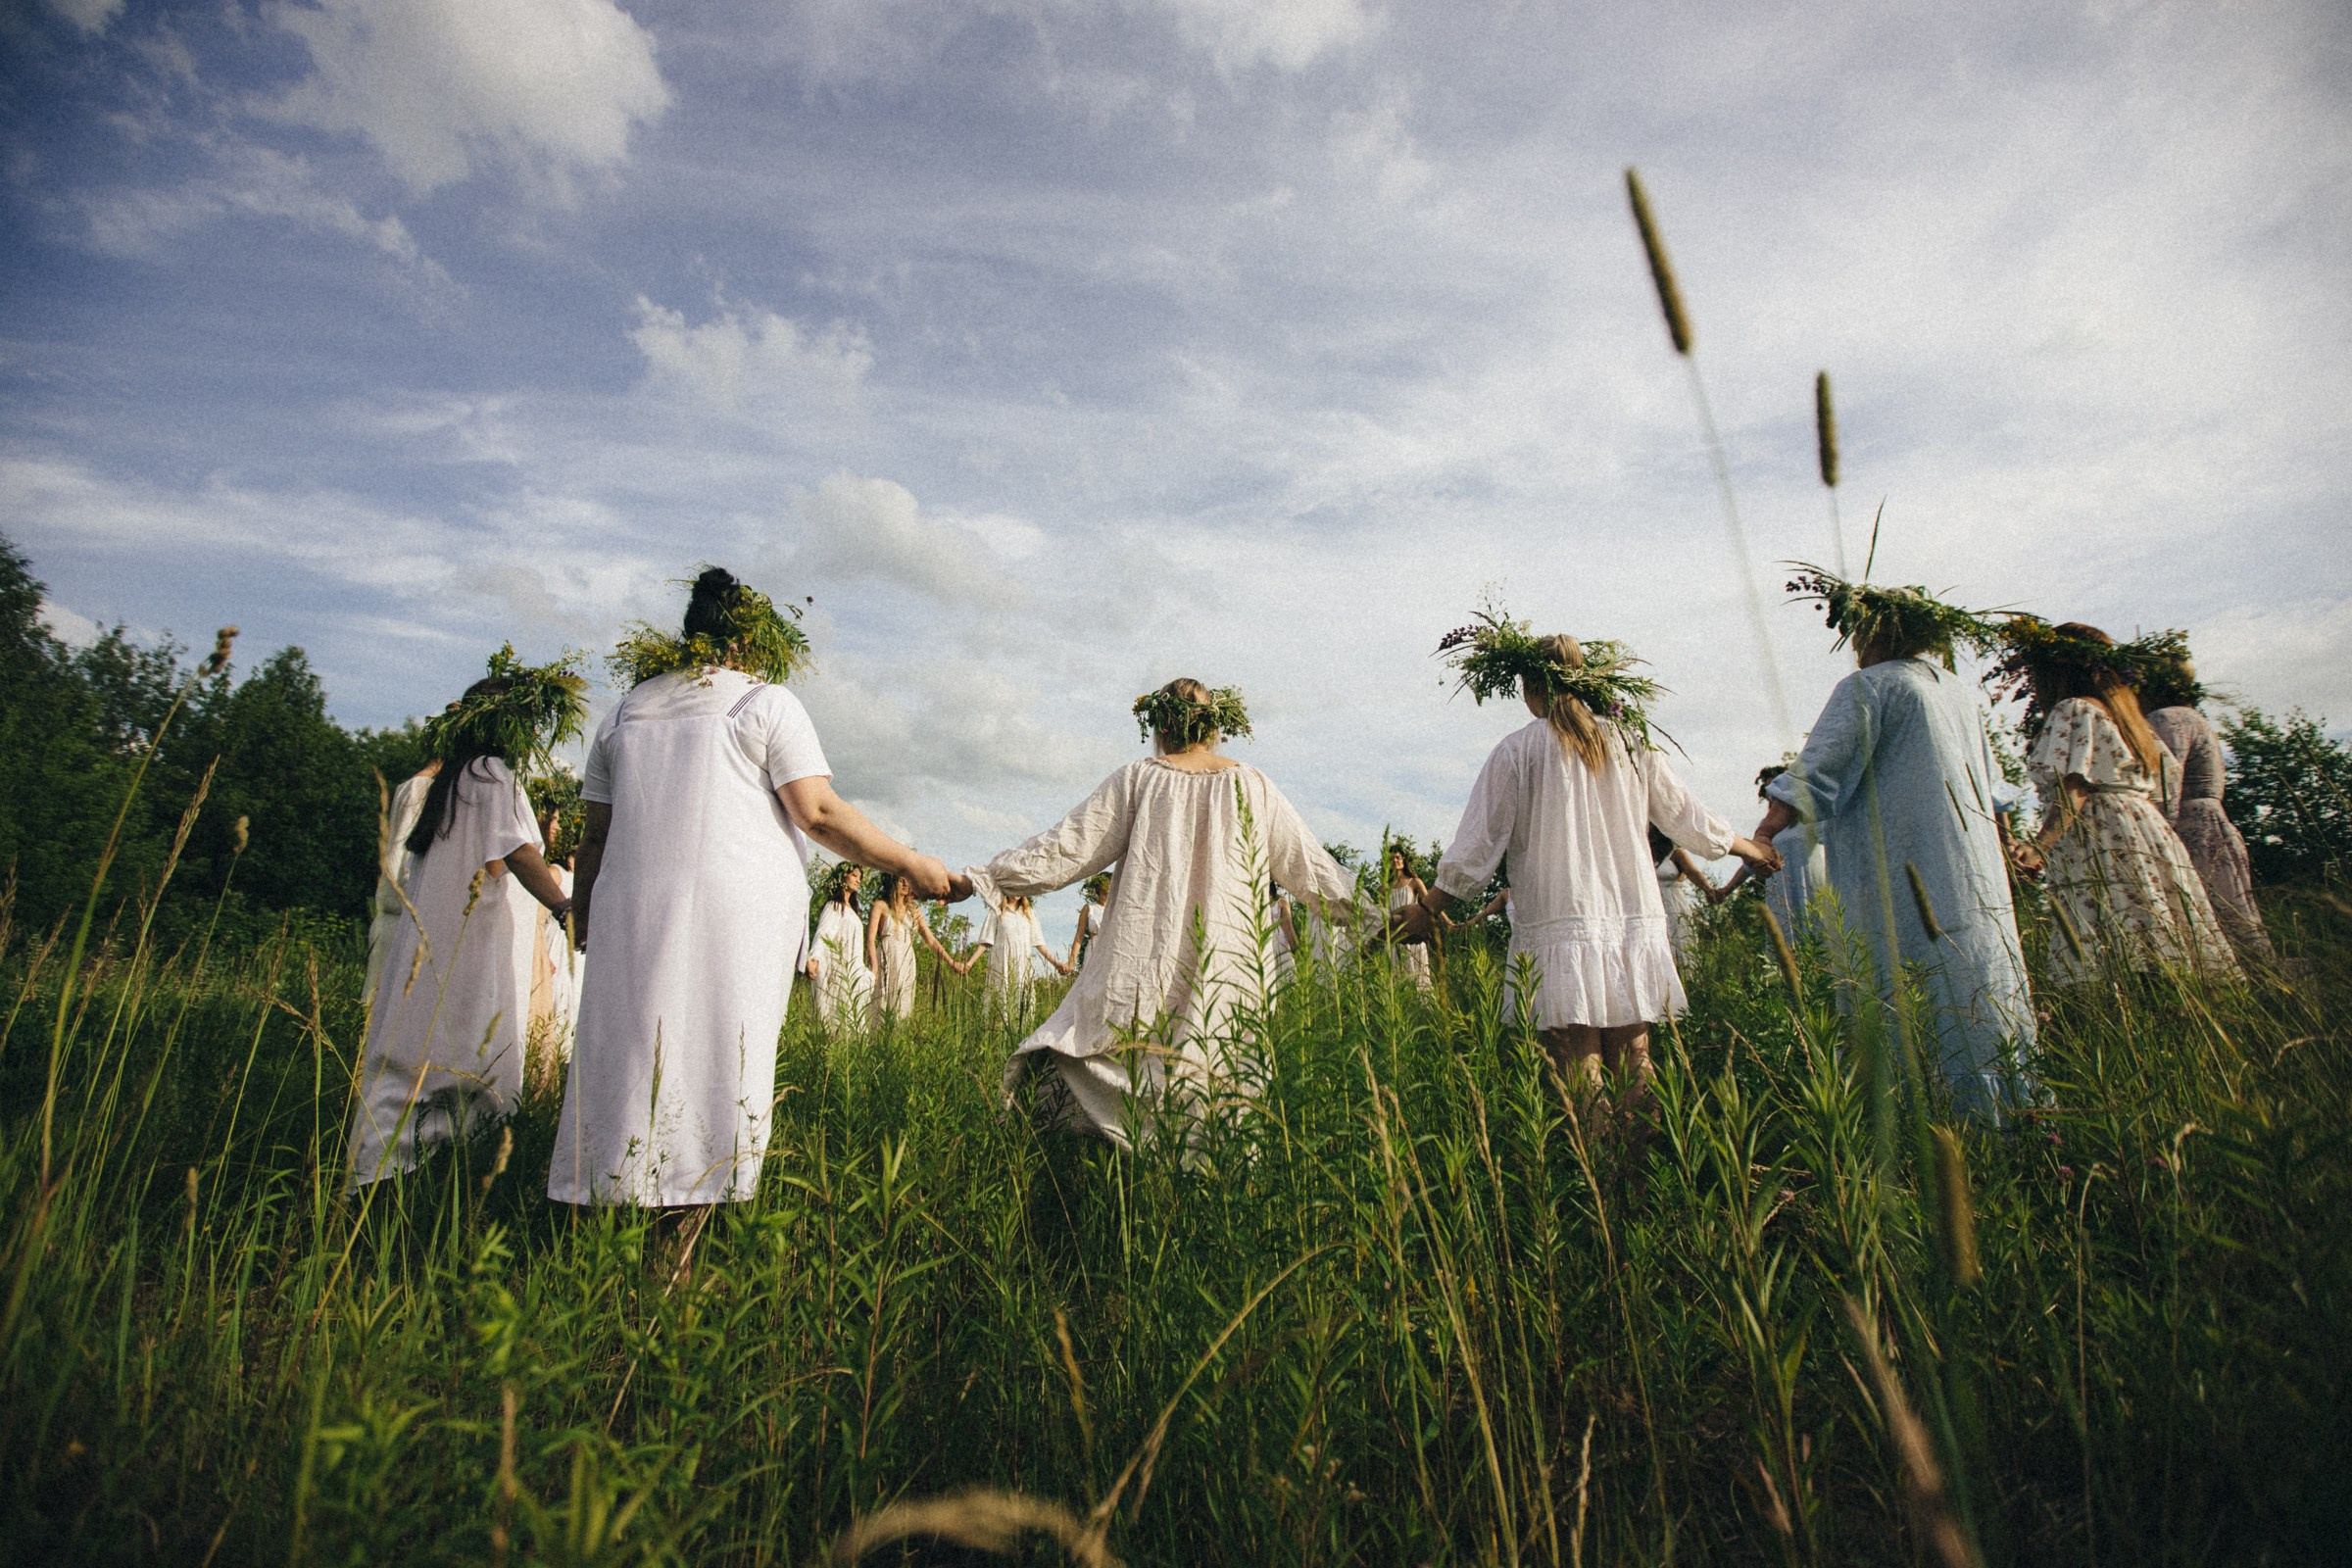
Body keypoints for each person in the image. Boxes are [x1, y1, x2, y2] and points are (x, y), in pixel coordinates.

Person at [552, 568, 955, 1209]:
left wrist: (588, 916)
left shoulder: (623, 712)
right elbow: (817, 811)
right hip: (732, 913)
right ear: (746, 641)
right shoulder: (764, 702)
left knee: (627, 1050)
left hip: (629, 906)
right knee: (721, 1052)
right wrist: (909, 862)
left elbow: (594, 837)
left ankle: (608, 1197)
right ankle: (691, 1216)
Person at [1393, 607, 1779, 1113]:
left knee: (1577, 1062)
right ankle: (1635, 1186)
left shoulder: (1516, 751)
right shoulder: (1628, 740)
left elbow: (1477, 845)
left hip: (1560, 919)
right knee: (1635, 1056)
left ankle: (1600, 1181)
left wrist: (1431, 906)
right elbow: (1685, 816)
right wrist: (1752, 849)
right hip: (1629, 918)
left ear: (1532, 687)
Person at [971, 679, 1353, 1148]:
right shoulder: (1252, 785)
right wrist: (1379, 920)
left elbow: (1066, 848)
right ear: (1215, 726)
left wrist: (987, 877)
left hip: (1143, 960)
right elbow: (1310, 868)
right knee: (1219, 1077)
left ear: (1160, 725)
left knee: (1106, 1053)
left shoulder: (1139, 777)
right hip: (1226, 969)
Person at [1756, 567, 2035, 1121]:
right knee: (1977, 978)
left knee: (1905, 980)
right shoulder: (1955, 691)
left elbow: (1818, 771)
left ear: (1873, 634)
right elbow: (1993, 787)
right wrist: (2011, 844)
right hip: (1973, 871)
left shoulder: (1871, 686)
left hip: (1902, 868)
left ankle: (1923, 1120)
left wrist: (1765, 831)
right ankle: (2008, 1114)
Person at [349, 653, 585, 1188]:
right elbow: (520, 853)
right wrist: (563, 905)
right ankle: (460, 1174)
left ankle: (382, 1172)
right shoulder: (490, 775)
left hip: (430, 937)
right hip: (468, 938)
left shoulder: (454, 779)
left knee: (415, 1050)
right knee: (472, 1053)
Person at [1992, 619, 2240, 987]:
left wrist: (2038, 846)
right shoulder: (2127, 718)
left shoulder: (2073, 709)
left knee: (2116, 952)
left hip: (2103, 834)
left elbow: (2074, 787)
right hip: (2145, 831)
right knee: (2157, 939)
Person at [2137, 640, 2275, 961]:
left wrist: (2157, 834)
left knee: (2211, 919)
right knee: (2235, 919)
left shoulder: (2167, 719)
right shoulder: (2192, 717)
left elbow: (2166, 778)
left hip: (2192, 828)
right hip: (2212, 822)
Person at [1714, 763, 1829, 941]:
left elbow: (1832, 838)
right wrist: (1726, 890)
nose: (1772, 794)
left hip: (1808, 884)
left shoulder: (1809, 817)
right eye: (1768, 789)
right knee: (1784, 937)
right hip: (1780, 889)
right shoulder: (1765, 829)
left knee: (1818, 934)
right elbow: (1749, 864)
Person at [364, 758, 439, 1001]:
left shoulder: (412, 786)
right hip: (400, 922)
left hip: (397, 921)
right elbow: (403, 858)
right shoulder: (420, 789)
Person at [870, 869, 969, 1021]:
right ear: (892, 882)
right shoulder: (881, 906)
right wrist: (874, 969)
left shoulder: (914, 910)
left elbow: (931, 940)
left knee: (902, 1005)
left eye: (907, 881)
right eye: (900, 880)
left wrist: (951, 962)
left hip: (906, 959)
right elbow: (870, 939)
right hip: (887, 956)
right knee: (882, 1003)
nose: (905, 884)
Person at [979, 892, 1071, 1023]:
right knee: (999, 999)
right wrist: (969, 963)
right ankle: (996, 1033)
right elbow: (985, 941)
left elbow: (1039, 944)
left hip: (1022, 964)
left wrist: (1057, 964)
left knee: (1021, 999)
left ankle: (1019, 1034)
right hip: (1001, 962)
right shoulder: (996, 911)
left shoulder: (1029, 913)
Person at [807, 863, 877, 1034]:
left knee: (854, 1021)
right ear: (842, 877)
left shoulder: (853, 911)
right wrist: (814, 957)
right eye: (854, 875)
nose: (858, 880)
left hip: (853, 971)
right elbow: (824, 934)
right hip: (839, 970)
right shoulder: (833, 906)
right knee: (838, 1018)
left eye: (860, 877)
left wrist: (870, 972)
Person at [1649, 825, 1718, 964]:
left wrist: (1708, 890)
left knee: (1678, 942)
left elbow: (1693, 873)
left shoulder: (1676, 854)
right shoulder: (1647, 855)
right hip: (1653, 905)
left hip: (1673, 903)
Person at [1384, 846, 1436, 990]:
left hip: (1413, 936)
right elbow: (1381, 915)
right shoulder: (1383, 888)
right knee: (1396, 981)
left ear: (1403, 860)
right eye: (1391, 858)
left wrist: (1449, 923)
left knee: (1419, 978)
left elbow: (1431, 905)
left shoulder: (1414, 882)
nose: (1395, 860)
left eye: (1398, 857)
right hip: (1394, 939)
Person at [1065, 871, 1114, 969]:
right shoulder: (1089, 908)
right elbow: (1079, 936)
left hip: (1112, 949)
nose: (1107, 889)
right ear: (1098, 890)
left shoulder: (1116, 908)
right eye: (1104, 886)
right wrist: (1071, 962)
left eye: (1110, 885)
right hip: (1094, 948)